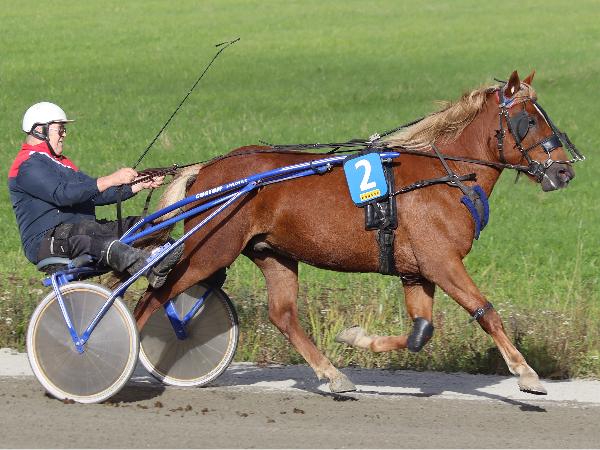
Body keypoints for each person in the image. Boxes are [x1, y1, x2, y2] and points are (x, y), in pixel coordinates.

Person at [8, 101, 182, 288]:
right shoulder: (27, 165)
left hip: (83, 230)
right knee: (101, 241)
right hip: (48, 242)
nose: (64, 134)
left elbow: (95, 193)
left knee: (146, 227)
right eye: (60, 129)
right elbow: (63, 194)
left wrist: (139, 184)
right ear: (40, 130)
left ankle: (168, 268)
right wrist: (110, 179)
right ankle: (148, 267)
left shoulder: (61, 163)